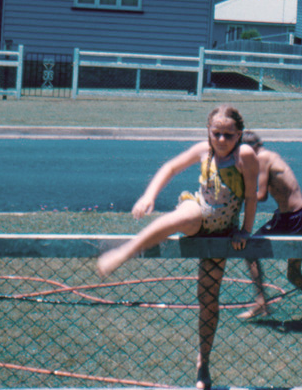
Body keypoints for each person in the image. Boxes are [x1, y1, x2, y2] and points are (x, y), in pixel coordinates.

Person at [96, 104, 258, 390]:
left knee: (208, 301)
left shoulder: (244, 155)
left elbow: (251, 195)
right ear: (208, 132)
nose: (221, 140)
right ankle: (126, 251)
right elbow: (171, 167)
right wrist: (150, 195)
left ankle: (203, 362)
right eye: (216, 133)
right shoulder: (203, 150)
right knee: (187, 214)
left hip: (221, 232)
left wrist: (245, 229)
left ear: (239, 134)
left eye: (228, 135)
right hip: (198, 211)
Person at [237, 131, 302, 332]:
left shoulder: (263, 158)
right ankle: (261, 303)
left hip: (297, 218)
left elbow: (260, 195)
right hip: (284, 217)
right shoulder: (263, 157)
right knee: (250, 250)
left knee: (294, 274)